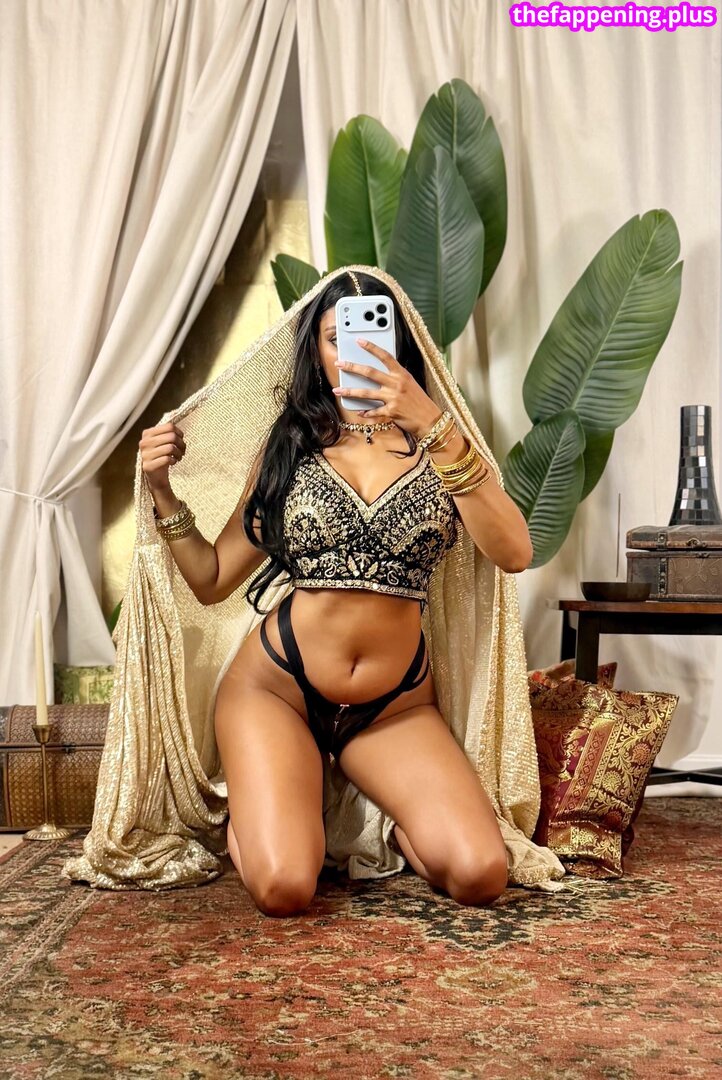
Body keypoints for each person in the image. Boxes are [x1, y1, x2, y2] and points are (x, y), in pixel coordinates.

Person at [61, 265, 568, 902]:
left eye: (375, 333)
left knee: (480, 875)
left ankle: (384, 829)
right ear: (317, 352)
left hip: (393, 705)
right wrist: (163, 492)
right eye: (336, 338)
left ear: (402, 343)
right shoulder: (290, 447)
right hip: (278, 690)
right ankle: (262, 825)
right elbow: (211, 578)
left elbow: (514, 552)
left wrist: (432, 424)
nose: (356, 350)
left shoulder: (442, 444)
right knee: (285, 889)